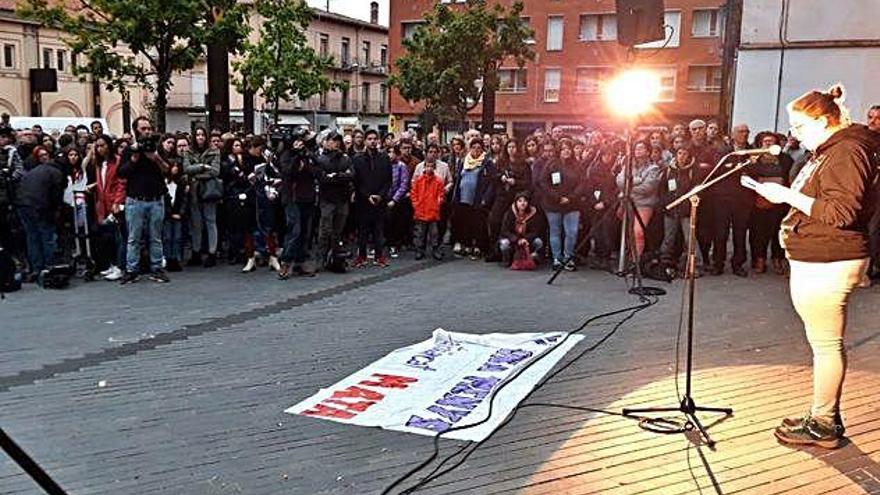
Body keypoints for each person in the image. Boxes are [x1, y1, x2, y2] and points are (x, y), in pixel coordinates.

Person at [754, 84, 880, 449]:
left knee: (826, 345)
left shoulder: (848, 150)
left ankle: (824, 422)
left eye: (800, 125)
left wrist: (786, 195)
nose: (794, 134)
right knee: (824, 343)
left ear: (825, 120)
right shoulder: (831, 150)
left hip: (830, 258)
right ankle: (823, 413)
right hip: (821, 256)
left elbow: (840, 212)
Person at [117, 116, 170, 284]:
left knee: (156, 237)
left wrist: (156, 158)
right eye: (143, 129)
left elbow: (168, 170)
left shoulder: (157, 148)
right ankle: (132, 270)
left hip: (155, 199)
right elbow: (121, 173)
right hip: (135, 200)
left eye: (149, 128)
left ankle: (157, 268)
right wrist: (134, 159)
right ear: (136, 131)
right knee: (133, 237)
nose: (147, 132)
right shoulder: (129, 151)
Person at [16, 146, 66, 279]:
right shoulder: (56, 173)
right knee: (47, 237)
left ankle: (36, 268)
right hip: (40, 207)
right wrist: (57, 210)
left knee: (32, 237)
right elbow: (56, 196)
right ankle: (49, 267)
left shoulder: (34, 171)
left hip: (23, 205)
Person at [748, 131, 793, 275]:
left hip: (780, 202)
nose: (768, 144)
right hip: (759, 202)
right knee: (758, 233)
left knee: (778, 232)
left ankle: (777, 259)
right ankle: (759, 260)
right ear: (760, 143)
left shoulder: (785, 159)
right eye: (765, 141)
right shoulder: (754, 160)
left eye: (771, 141)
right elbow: (748, 176)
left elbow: (790, 177)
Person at [84, 134, 127, 280]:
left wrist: (117, 202)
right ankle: (113, 264)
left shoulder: (118, 161)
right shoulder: (99, 163)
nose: (99, 148)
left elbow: (121, 183)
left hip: (114, 203)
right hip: (102, 203)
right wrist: (95, 186)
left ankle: (120, 266)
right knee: (108, 237)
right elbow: (103, 181)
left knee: (118, 237)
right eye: (97, 146)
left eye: (102, 145)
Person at [538, 139, 583, 271]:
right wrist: (557, 197)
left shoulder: (577, 165)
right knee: (555, 231)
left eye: (568, 148)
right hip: (553, 204)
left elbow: (582, 183)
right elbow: (543, 182)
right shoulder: (551, 164)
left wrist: (571, 198)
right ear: (559, 150)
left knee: (572, 232)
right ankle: (557, 258)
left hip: (572, 204)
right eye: (563, 148)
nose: (566, 151)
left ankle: (568, 257)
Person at [615, 140, 662, 260]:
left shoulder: (654, 168)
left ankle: (636, 261)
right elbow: (619, 181)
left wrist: (628, 187)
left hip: (644, 204)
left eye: (641, 148)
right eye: (636, 148)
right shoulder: (628, 165)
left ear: (647, 151)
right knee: (628, 232)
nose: (638, 151)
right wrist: (638, 180)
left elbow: (648, 188)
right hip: (627, 203)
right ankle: (629, 256)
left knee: (638, 232)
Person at [352, 129, 393, 267]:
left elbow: (388, 180)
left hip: (379, 200)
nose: (372, 141)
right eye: (369, 139)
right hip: (363, 201)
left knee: (378, 229)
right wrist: (367, 195)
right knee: (362, 230)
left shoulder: (384, 158)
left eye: (375, 139)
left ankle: (379, 256)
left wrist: (380, 195)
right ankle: (361, 256)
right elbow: (356, 181)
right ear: (365, 141)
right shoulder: (357, 159)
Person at [450, 138, 495, 260]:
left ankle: (478, 246)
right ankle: (466, 244)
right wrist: (455, 195)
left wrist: (486, 198)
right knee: (464, 222)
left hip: (478, 198)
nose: (476, 150)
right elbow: (459, 178)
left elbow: (491, 182)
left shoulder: (487, 162)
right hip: (463, 196)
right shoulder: (464, 161)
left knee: (478, 223)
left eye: (478, 148)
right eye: (473, 147)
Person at [184, 127, 222, 267]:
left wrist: (197, 172)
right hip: (194, 190)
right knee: (196, 223)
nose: (200, 137)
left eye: (202, 135)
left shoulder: (214, 151)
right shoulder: (188, 151)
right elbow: (186, 168)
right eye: (197, 135)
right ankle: (196, 252)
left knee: (210, 220)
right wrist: (202, 166)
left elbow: (215, 171)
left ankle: (212, 253)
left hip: (208, 189)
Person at [659, 146, 700, 275]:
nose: (682, 156)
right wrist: (665, 203)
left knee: (690, 238)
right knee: (668, 238)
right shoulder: (668, 170)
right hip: (671, 209)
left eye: (685, 153)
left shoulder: (693, 171)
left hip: (686, 210)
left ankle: (695, 265)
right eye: (680, 153)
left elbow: (697, 189)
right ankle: (664, 263)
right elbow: (662, 189)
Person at [315, 131, 354, 265]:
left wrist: (336, 176)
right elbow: (322, 178)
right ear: (326, 142)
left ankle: (334, 257)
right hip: (327, 199)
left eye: (338, 140)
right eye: (332, 140)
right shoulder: (321, 159)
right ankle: (321, 257)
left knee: (338, 230)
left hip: (342, 199)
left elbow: (351, 175)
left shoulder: (345, 158)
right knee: (325, 230)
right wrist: (340, 176)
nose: (335, 143)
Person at [410, 156, 445, 261]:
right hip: (421, 210)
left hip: (433, 210)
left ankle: (435, 249)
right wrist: (415, 204)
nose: (429, 168)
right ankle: (420, 250)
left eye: (431, 166)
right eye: (427, 166)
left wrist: (439, 202)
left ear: (434, 168)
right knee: (420, 232)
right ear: (424, 167)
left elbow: (441, 194)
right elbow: (413, 193)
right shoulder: (418, 180)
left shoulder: (438, 181)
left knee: (434, 233)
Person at [499, 191, 544, 267]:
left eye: (525, 201)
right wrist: (516, 239)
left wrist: (525, 239)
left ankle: (532, 258)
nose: (522, 203)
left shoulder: (533, 213)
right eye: (520, 201)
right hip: (513, 239)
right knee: (504, 244)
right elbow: (504, 231)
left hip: (527, 240)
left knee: (538, 242)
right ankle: (507, 260)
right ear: (516, 202)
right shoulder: (510, 213)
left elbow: (535, 231)